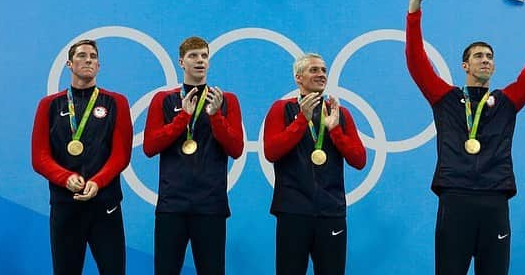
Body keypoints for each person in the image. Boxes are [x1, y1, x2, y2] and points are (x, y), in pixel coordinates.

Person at [404, 0, 525, 275]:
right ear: (465, 65)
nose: (485, 60)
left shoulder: (507, 101)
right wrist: (413, 10)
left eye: (489, 56)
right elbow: (415, 60)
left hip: (494, 200)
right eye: (478, 56)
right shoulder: (445, 99)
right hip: (455, 198)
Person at [143, 36, 244, 275]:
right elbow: (149, 147)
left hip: (211, 205)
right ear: (181, 62)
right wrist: (183, 118)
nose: (200, 61)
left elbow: (236, 149)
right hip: (172, 204)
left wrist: (216, 116)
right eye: (193, 56)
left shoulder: (226, 100)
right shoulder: (163, 100)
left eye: (204, 56)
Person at [32, 39, 133, 275]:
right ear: (69, 63)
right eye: (82, 55)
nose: (89, 59)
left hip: (105, 204)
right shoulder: (49, 105)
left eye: (93, 56)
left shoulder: (117, 102)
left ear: (98, 66)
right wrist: (65, 177)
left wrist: (98, 182)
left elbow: (121, 154)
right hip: (65, 205)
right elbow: (39, 156)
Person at [264, 53, 367, 275]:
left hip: (331, 212)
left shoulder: (339, 113)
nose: (321, 74)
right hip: (293, 211)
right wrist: (302, 119)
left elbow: (359, 160)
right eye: (314, 70)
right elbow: (271, 152)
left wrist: (335, 130)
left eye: (323, 70)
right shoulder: (281, 109)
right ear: (298, 78)